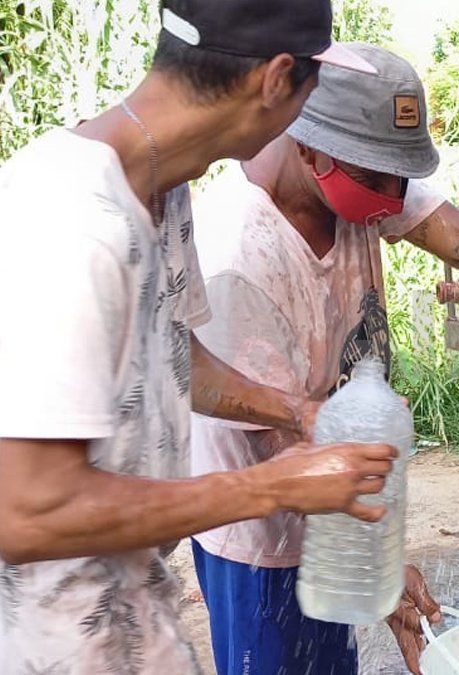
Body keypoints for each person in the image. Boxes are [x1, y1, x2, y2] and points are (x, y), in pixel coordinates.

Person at [0, 2, 413, 673]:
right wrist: (270, 487)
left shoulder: (163, 188)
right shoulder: (71, 223)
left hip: (136, 615)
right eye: (312, 85)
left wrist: (298, 412)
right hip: (54, 647)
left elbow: (173, 356)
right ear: (277, 80)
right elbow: (26, 513)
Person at [189, 43, 459, 675]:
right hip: (261, 539)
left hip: (327, 483)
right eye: (379, 182)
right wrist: (378, 570)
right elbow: (285, 457)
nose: (395, 199)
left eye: (403, 180)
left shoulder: (357, 175)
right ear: (310, 150)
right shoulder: (240, 260)